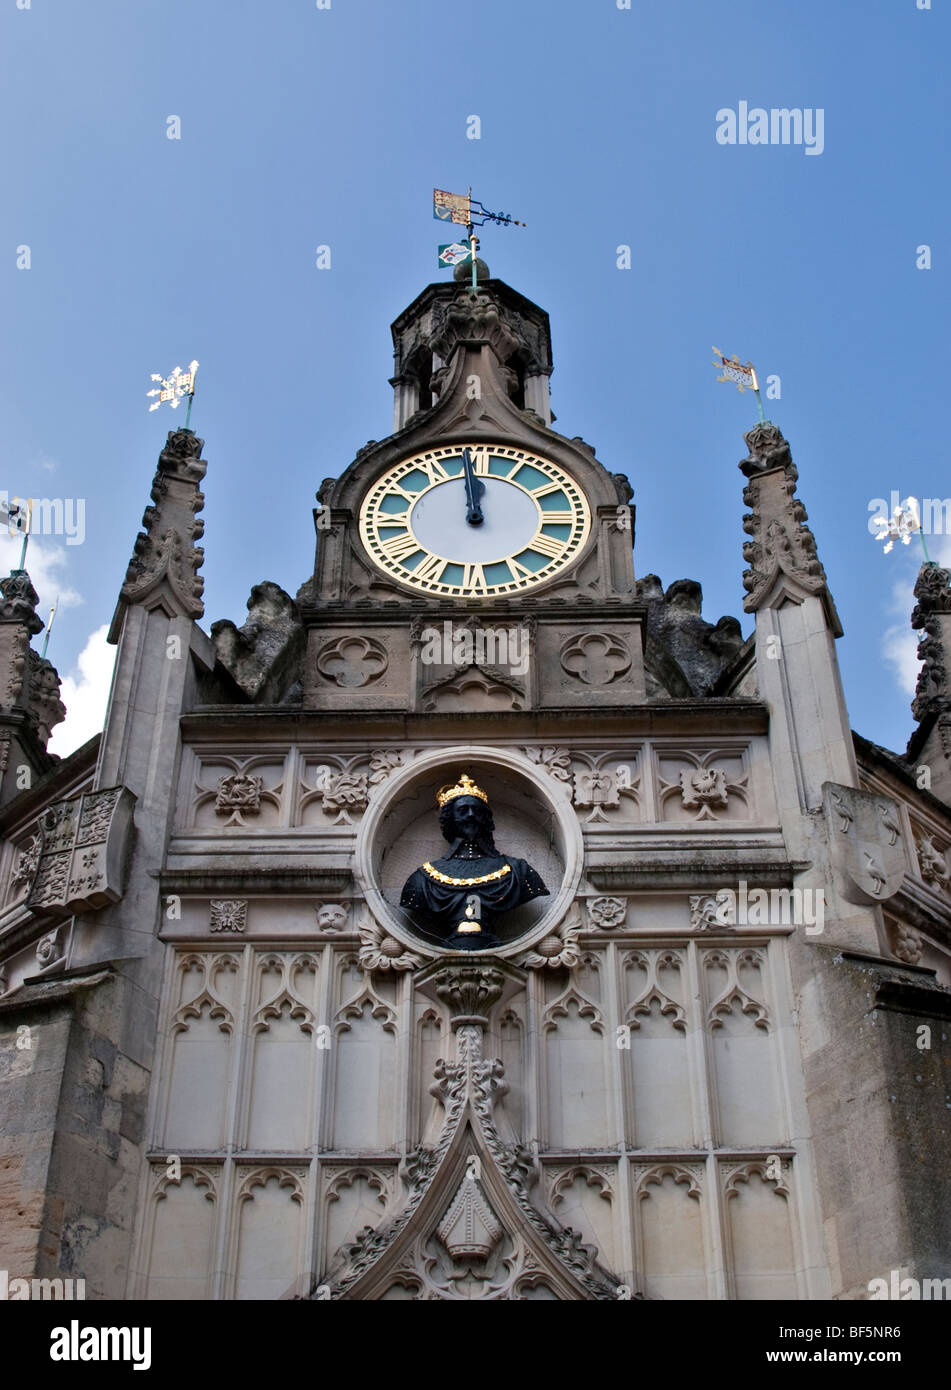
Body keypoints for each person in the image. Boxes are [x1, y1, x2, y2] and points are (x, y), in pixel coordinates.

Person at [400, 773, 548, 951]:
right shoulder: (422, 880)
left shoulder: (518, 871)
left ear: (485, 818)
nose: (471, 815)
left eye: (476, 810)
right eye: (463, 811)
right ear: (450, 819)